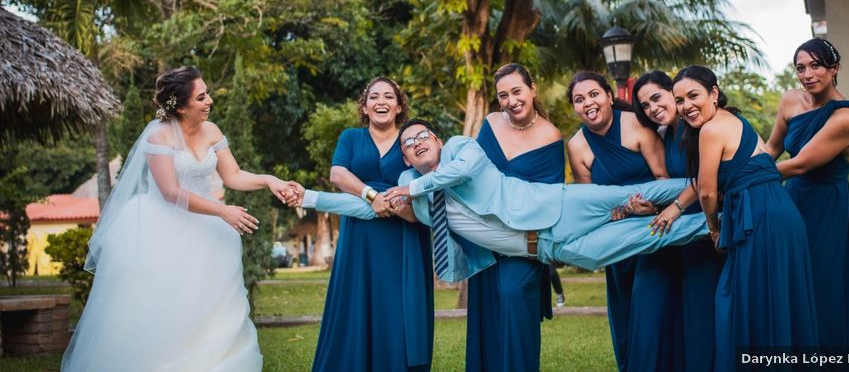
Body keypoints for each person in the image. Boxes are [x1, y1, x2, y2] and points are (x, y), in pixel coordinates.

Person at [62, 66, 295, 371]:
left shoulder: (212, 130)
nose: (209, 100)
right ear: (181, 106)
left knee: (212, 307)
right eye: (201, 97)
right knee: (169, 308)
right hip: (164, 230)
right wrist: (222, 210)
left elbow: (233, 176)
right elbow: (171, 192)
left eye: (207, 92)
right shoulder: (159, 137)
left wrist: (268, 180)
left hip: (208, 231)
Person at [290, 120, 708, 277]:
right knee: (650, 237)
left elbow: (463, 172)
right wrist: (307, 196)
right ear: (404, 158)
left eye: (421, 136)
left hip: (560, 205)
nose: (416, 144)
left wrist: (412, 186)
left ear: (435, 139)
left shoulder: (458, 148)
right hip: (549, 246)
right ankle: (713, 223)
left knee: (638, 194)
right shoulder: (415, 202)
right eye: (408, 144)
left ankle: (715, 178)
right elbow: (364, 206)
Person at [672, 65, 819, 369]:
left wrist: (714, 230)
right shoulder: (736, 120)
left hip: (763, 218)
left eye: (693, 95)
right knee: (772, 300)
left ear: (714, 94)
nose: (686, 106)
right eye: (679, 100)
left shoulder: (712, 130)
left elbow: (708, 193)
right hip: (779, 213)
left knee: (744, 299)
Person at [310, 77, 433, 372]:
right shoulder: (351, 138)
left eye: (389, 96)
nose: (381, 102)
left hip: (403, 235)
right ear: (364, 107)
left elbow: (430, 173)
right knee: (356, 305)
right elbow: (338, 174)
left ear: (399, 105)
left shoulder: (410, 139)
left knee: (397, 308)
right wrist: (371, 195)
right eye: (374, 97)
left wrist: (402, 207)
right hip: (359, 238)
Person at [565, 71, 678, 372]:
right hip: (615, 240)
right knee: (626, 313)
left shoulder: (637, 125)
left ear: (608, 96)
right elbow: (588, 201)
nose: (588, 103)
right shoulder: (577, 146)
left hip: (654, 230)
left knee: (651, 308)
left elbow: (664, 179)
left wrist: (650, 207)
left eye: (593, 94)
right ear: (575, 108)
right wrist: (608, 215)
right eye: (579, 100)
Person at [766, 39, 849, 353]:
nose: (807, 74)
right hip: (792, 200)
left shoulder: (846, 117)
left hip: (827, 208)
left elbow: (797, 164)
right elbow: (772, 149)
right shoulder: (789, 101)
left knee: (822, 285)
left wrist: (744, 179)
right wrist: (739, 165)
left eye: (816, 65)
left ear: (834, 68)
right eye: (801, 67)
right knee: (790, 282)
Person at [466, 64, 564, 372]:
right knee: (488, 316)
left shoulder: (551, 136)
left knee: (512, 299)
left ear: (533, 89)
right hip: (483, 239)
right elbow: (473, 172)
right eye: (503, 95)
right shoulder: (492, 122)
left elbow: (548, 201)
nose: (511, 101)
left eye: (517, 91)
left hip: (523, 242)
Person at [633, 71, 724, 372]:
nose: (652, 108)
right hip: (678, 232)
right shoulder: (666, 135)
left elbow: (706, 179)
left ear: (673, 93)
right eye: (645, 105)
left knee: (701, 310)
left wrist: (674, 207)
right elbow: (674, 182)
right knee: (678, 310)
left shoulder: (698, 127)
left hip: (704, 227)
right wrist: (653, 207)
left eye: (656, 97)